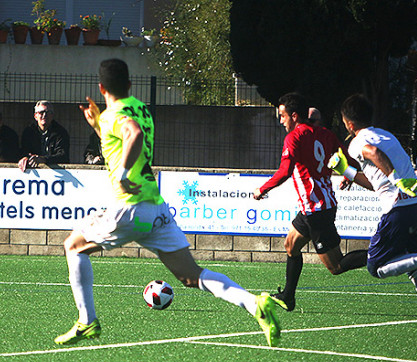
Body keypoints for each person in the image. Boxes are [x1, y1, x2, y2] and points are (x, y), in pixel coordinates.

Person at [54, 58, 281, 347]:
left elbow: (131, 134)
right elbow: (124, 138)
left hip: (129, 206)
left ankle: (87, 322)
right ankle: (254, 304)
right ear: (129, 85)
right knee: (190, 275)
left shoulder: (115, 114)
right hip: (155, 208)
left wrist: (123, 173)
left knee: (73, 247)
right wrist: (98, 126)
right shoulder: (141, 110)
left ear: (100, 88)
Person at [329, 93, 417, 332]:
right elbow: (375, 183)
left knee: (375, 266)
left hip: (399, 210)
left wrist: (397, 179)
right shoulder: (387, 134)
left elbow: (373, 154)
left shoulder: (357, 141)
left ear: (349, 123)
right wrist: (346, 171)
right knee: (412, 266)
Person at [253, 92, 367, 312]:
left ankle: (382, 253)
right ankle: (288, 297)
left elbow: (285, 171)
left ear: (294, 116)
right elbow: (349, 160)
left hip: (316, 209)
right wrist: (348, 176)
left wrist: (262, 189)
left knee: (336, 266)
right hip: (316, 206)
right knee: (290, 246)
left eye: (282, 116)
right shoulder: (326, 134)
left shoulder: (294, 137)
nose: (280, 120)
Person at [18, 100, 70, 172]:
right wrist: (25, 157)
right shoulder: (29, 132)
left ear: (52, 116)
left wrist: (44, 159)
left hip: (56, 172)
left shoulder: (61, 133)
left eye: (48, 112)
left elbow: (63, 156)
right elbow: (23, 151)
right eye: (41, 112)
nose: (44, 115)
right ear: (35, 116)